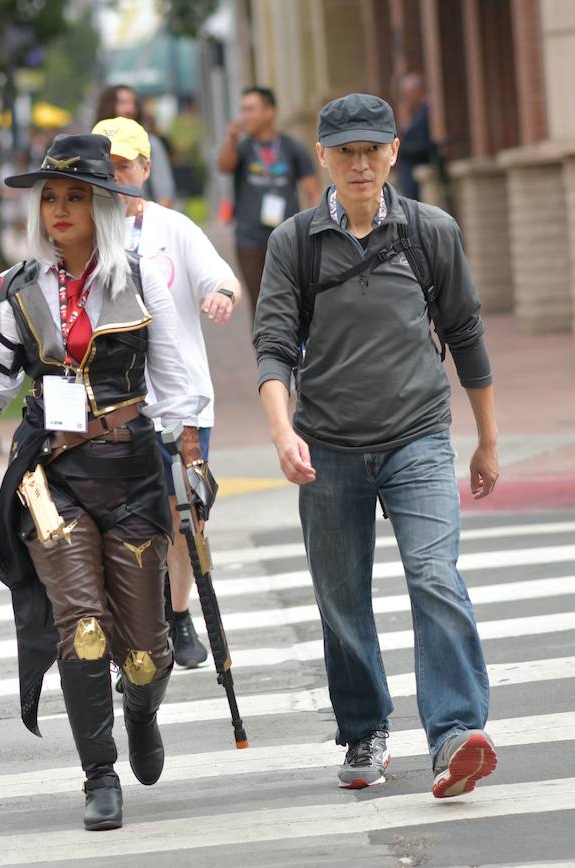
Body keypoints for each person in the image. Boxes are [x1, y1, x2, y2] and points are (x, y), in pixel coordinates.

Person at [0, 133, 209, 831]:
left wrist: (193, 462)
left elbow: (177, 381)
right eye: (51, 198)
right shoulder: (16, 287)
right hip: (49, 475)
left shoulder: (140, 279)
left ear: (104, 207)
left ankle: (142, 713)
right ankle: (99, 775)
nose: (60, 209)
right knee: (84, 629)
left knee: (147, 656)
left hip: (131, 473)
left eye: (76, 196)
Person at [253, 93, 499, 797]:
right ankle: (364, 728)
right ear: (323, 157)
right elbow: (273, 347)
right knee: (341, 598)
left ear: (393, 152)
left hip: (417, 435)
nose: (360, 164)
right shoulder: (294, 242)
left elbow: (465, 333)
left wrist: (486, 440)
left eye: (372, 149)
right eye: (345, 152)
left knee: (435, 575)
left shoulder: (431, 231)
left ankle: (455, 734)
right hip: (327, 446)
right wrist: (283, 432)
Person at [92, 116, 242, 669]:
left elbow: (222, 277)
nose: (115, 178)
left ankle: (178, 613)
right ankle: (134, 633)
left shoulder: (171, 228)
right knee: (118, 525)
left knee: (185, 517)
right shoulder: (85, 235)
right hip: (113, 408)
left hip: (181, 404)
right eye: (105, 168)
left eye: (124, 167)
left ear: (145, 168)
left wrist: (221, 295)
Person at [216, 86, 321, 323]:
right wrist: (232, 138)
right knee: (260, 304)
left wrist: (313, 231)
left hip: (288, 239)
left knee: (294, 300)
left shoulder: (291, 147)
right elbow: (224, 166)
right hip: (250, 241)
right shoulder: (242, 148)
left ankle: (296, 344)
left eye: (250, 109)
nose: (244, 116)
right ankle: (266, 346)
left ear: (268, 112)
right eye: (243, 110)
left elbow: (312, 191)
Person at [93, 84, 176, 208]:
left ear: (146, 169)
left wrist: (152, 218)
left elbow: (164, 192)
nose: (130, 109)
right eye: (123, 103)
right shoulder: (93, 142)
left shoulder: (149, 143)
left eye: (124, 166)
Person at [395, 72, 435, 200]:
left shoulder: (426, 111)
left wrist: (400, 148)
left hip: (420, 160)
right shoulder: (416, 113)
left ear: (417, 91)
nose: (406, 99)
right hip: (410, 166)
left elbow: (423, 141)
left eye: (407, 94)